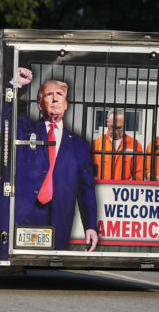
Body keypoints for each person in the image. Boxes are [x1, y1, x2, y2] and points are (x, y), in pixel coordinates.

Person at [14, 78, 98, 251]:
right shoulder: (24, 128)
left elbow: (86, 189)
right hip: (25, 213)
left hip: (59, 216)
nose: (55, 99)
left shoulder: (80, 146)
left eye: (59, 94)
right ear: (40, 105)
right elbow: (3, 117)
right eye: (49, 94)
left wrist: (90, 226)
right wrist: (14, 85)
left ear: (66, 104)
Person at [92, 109, 144, 180]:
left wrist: (133, 181)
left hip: (124, 189)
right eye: (112, 127)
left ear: (124, 124)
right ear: (107, 123)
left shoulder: (135, 145)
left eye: (119, 128)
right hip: (102, 189)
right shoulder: (96, 144)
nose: (115, 132)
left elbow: (139, 173)